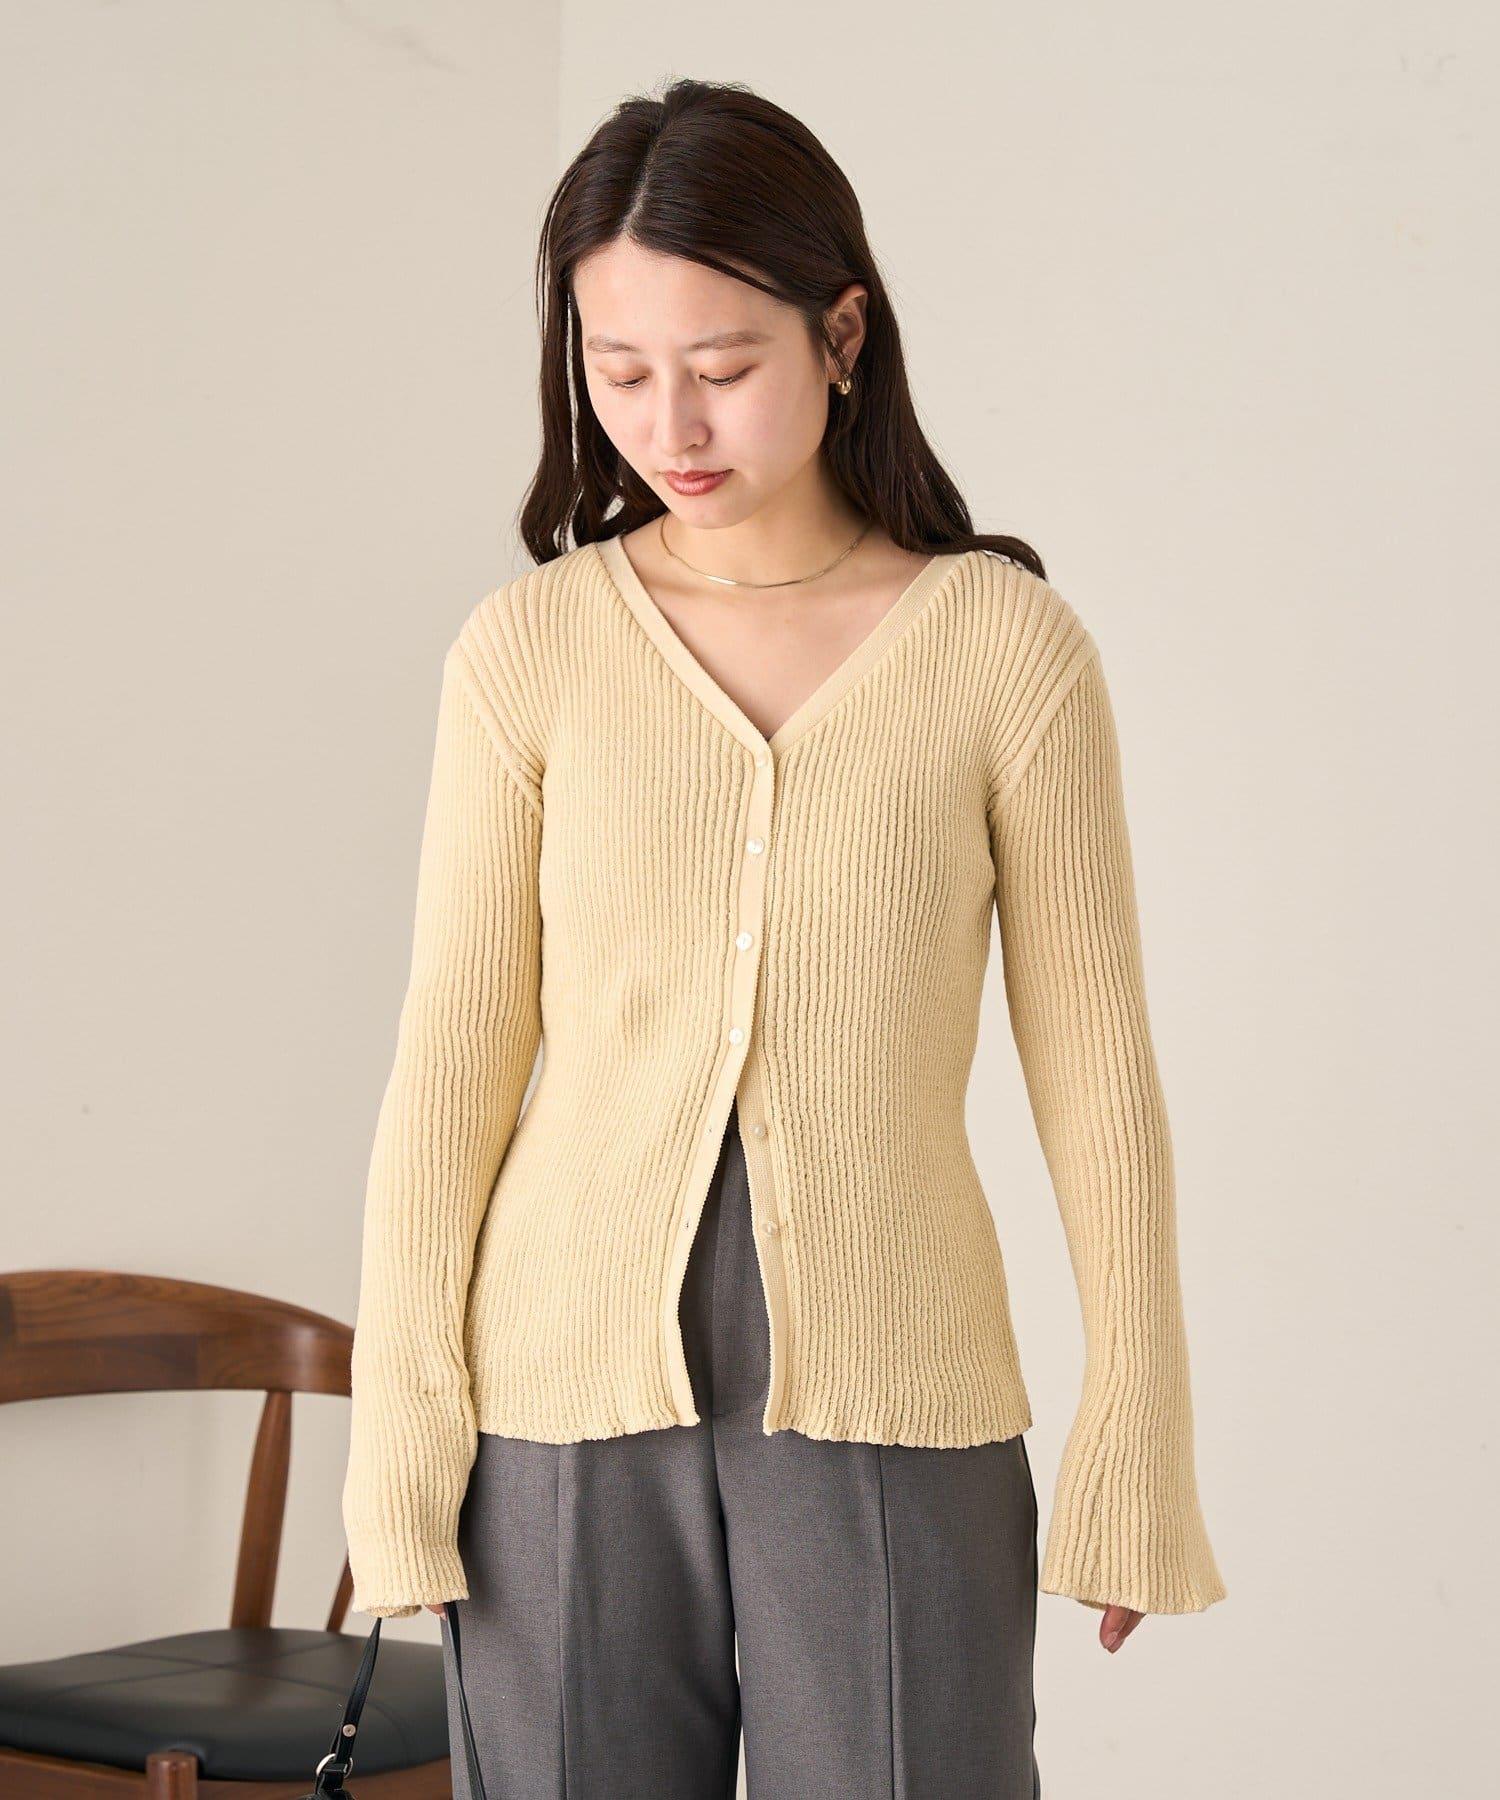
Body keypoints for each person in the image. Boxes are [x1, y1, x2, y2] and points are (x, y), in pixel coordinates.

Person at [340, 75, 1225, 1799]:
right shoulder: (529, 652)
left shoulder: (1005, 649)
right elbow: (451, 1066)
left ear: (843, 335)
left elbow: (1097, 1069)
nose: (671, 423)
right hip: (560, 1404)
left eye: (724, 365)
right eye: (620, 371)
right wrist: (403, 1445)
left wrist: (1137, 1435)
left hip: (897, 1383)